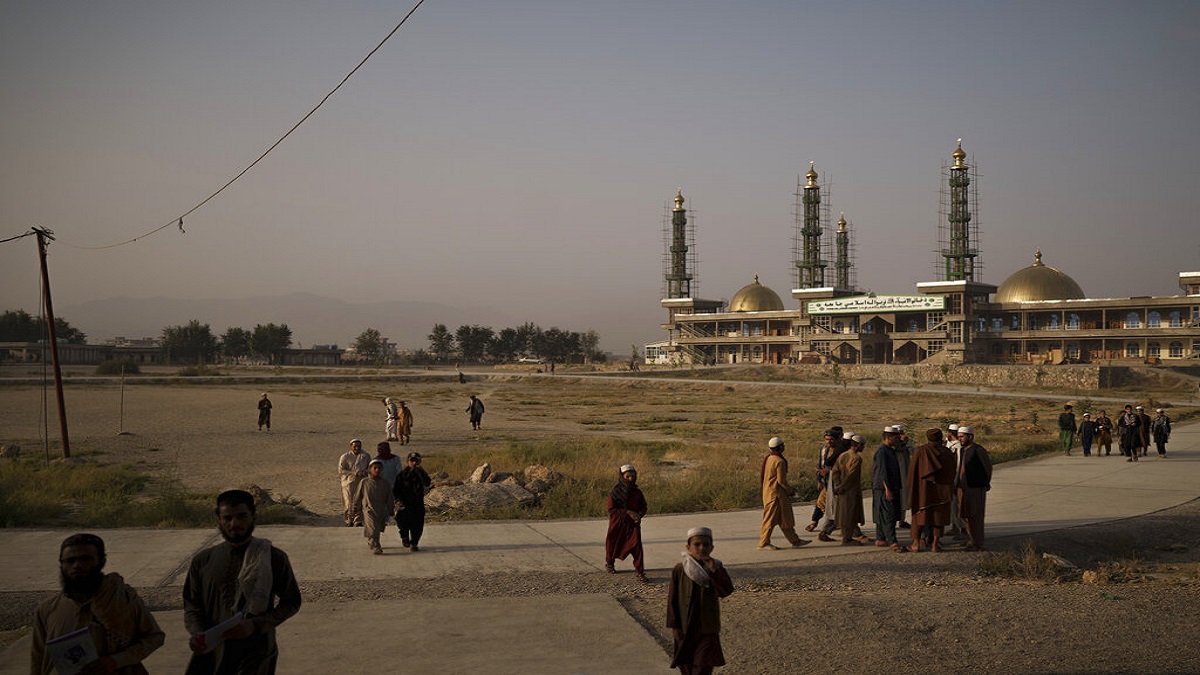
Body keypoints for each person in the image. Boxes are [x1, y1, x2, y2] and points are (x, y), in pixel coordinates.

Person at [184, 489, 302, 674]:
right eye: (227, 518)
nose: (234, 524)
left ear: (253, 516)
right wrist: (197, 632)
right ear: (219, 520)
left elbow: (291, 602)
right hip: (211, 653)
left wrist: (256, 624)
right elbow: (192, 605)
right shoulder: (203, 561)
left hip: (255, 653)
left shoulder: (273, 557)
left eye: (241, 516)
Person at [31, 533, 165, 674]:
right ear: (62, 565)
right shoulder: (48, 609)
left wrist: (116, 660)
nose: (77, 565)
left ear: (101, 561)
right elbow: (38, 657)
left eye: (86, 559)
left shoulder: (123, 599)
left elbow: (154, 637)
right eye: (70, 561)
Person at [666, 526, 734, 675]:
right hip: (686, 625)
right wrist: (674, 626)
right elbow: (673, 599)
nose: (701, 548)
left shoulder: (716, 568)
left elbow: (726, 591)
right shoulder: (680, 569)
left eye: (706, 544)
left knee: (703, 665)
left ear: (712, 547)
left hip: (707, 626)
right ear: (688, 547)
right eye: (697, 544)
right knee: (687, 665)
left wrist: (714, 572)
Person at [907, 428, 955, 552]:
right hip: (941, 492)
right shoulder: (947, 452)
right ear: (940, 438)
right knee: (938, 518)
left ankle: (916, 544)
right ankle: (935, 544)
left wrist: (911, 489)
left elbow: (913, 472)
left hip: (923, 492)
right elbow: (952, 473)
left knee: (919, 516)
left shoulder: (921, 451)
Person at [758, 437, 809, 550]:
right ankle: (764, 543)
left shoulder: (769, 458)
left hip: (770, 492)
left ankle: (795, 541)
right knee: (769, 520)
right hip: (776, 494)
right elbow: (781, 481)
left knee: (785, 519)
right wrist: (791, 491)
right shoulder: (779, 461)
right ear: (780, 447)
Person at [605, 464, 649, 582]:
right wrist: (628, 512)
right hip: (618, 523)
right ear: (622, 476)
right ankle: (610, 564)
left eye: (632, 476)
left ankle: (640, 571)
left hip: (633, 524)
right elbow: (611, 509)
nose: (630, 479)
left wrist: (639, 515)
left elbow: (644, 506)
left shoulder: (637, 493)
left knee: (636, 546)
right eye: (627, 476)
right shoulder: (615, 492)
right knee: (613, 544)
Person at [956, 426, 993, 551]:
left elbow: (987, 467)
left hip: (975, 487)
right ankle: (972, 539)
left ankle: (978, 542)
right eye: (959, 436)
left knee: (976, 515)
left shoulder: (978, 450)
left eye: (962, 436)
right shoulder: (962, 450)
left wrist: (985, 482)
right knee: (964, 514)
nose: (959, 439)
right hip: (963, 488)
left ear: (970, 437)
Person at [871, 426, 905, 553]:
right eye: (896, 437)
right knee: (888, 515)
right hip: (884, 488)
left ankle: (881, 539)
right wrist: (887, 489)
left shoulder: (890, 450)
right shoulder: (882, 451)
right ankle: (892, 541)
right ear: (888, 437)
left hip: (891, 486)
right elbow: (882, 472)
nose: (899, 439)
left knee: (883, 514)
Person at [832, 434, 868, 546]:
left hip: (842, 490)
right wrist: (843, 487)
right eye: (862, 446)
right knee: (850, 515)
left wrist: (838, 485)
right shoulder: (856, 458)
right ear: (858, 445)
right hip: (850, 490)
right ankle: (847, 539)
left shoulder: (843, 455)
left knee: (844, 514)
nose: (863, 448)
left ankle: (846, 537)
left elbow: (835, 471)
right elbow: (851, 476)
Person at [353, 459, 395, 554]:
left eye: (379, 468)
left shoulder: (385, 483)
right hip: (368, 509)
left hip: (381, 510)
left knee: (378, 527)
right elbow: (358, 495)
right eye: (374, 468)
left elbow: (389, 497)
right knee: (373, 528)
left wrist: (391, 509)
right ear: (369, 469)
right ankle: (376, 546)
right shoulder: (364, 482)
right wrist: (355, 507)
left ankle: (372, 541)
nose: (377, 470)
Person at [394, 452, 432, 551]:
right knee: (402, 522)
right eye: (412, 461)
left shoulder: (421, 473)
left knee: (418, 524)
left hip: (417, 503)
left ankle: (414, 542)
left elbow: (427, 483)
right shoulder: (401, 475)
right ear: (408, 462)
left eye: (416, 461)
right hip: (405, 503)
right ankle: (405, 537)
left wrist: (420, 472)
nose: (414, 463)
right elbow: (396, 489)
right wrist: (397, 500)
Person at [337, 439, 371, 526]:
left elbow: (370, 467)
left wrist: (365, 472)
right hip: (348, 483)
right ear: (351, 446)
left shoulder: (365, 455)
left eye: (359, 446)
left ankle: (358, 520)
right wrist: (355, 473)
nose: (357, 448)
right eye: (355, 446)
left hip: (361, 482)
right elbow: (341, 470)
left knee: (360, 501)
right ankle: (349, 520)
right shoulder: (345, 456)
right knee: (348, 502)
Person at [945, 423, 967, 537]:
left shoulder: (958, 447)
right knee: (952, 507)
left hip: (955, 480)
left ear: (950, 433)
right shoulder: (950, 444)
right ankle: (954, 527)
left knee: (957, 506)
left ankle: (962, 530)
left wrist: (955, 481)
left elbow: (958, 466)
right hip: (950, 480)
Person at [894, 425, 913, 529]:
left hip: (904, 474)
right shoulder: (892, 446)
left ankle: (902, 520)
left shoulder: (905, 444)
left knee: (904, 497)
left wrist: (906, 444)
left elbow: (913, 452)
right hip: (896, 475)